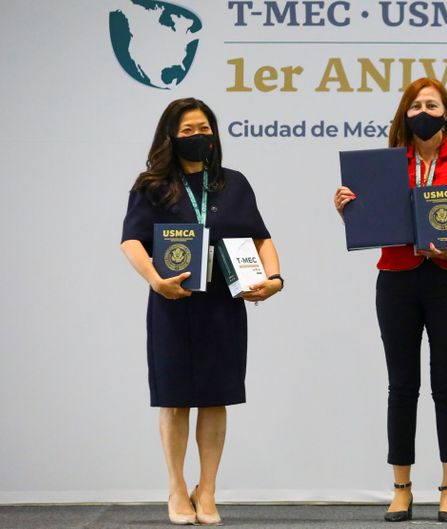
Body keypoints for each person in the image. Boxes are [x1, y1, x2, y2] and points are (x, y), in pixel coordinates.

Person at [334, 77, 447, 523]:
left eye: (433, 104)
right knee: (401, 386)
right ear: (404, 115)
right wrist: (349, 208)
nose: (423, 111)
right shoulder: (385, 166)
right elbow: (372, 219)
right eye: (415, 105)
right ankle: (401, 488)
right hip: (397, 281)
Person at [120, 98, 283, 525]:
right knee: (174, 401)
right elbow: (131, 241)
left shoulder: (234, 183)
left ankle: (207, 490)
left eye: (204, 128)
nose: (197, 137)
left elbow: (261, 238)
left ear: (215, 134)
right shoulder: (151, 186)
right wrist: (156, 280)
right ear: (170, 136)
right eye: (187, 130)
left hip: (222, 308)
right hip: (172, 304)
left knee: (215, 400)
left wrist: (275, 279)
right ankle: (176, 488)